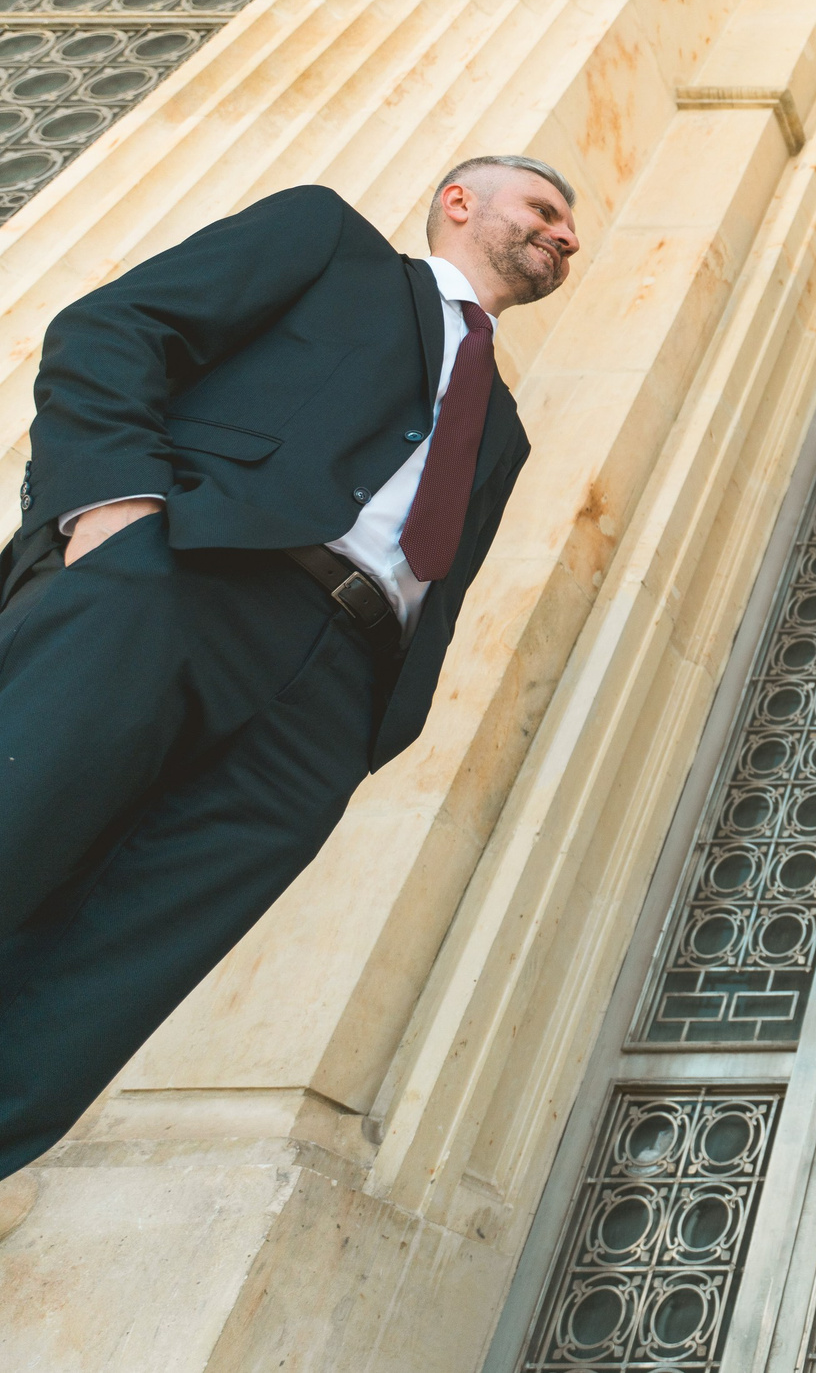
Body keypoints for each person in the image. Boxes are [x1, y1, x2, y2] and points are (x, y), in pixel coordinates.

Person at [0, 156, 579, 1180]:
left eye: (569, 225)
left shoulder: (508, 430)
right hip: (188, 587)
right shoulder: (330, 247)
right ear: (460, 201)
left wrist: (370, 726)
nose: (566, 235)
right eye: (544, 209)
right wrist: (116, 515)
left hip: (326, 706)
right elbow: (110, 331)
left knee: (96, 994)